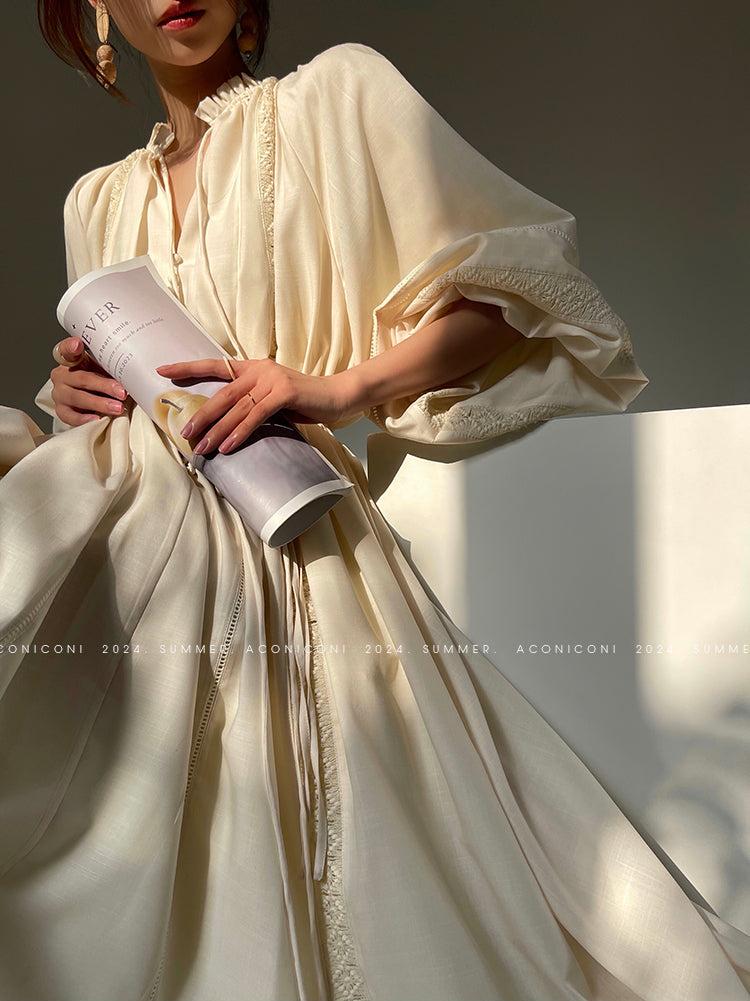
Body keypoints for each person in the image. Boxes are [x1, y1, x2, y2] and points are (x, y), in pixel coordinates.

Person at [0, 2, 746, 999]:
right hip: (140, 540)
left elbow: (520, 291)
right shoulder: (94, 202)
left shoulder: (340, 96)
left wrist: (338, 388)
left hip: (287, 531)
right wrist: (78, 395)